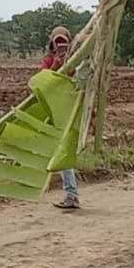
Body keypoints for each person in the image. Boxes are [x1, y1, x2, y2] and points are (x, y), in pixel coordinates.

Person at [40, 27, 82, 210]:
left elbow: (81, 85)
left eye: (63, 41)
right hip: (54, 109)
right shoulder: (48, 61)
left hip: (70, 110)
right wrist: (56, 66)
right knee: (58, 151)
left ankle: (71, 194)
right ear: (52, 44)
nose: (60, 45)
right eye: (57, 42)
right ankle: (68, 192)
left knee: (63, 151)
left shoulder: (76, 61)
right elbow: (41, 83)